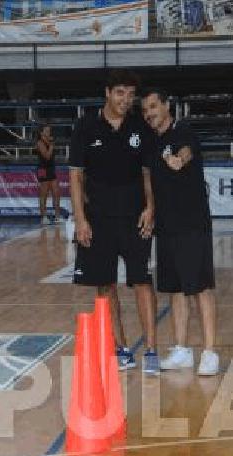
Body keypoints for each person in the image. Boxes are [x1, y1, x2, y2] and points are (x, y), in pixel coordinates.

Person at [68, 69, 159, 373]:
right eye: (120, 93)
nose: (126, 100)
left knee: (143, 282)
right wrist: (80, 219)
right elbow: (76, 176)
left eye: (131, 94)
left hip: (135, 218)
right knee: (105, 285)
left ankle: (151, 351)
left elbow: (148, 173)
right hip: (98, 220)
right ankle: (120, 348)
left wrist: (151, 207)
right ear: (107, 93)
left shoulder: (139, 127)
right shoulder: (85, 126)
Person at [140, 88, 220, 376]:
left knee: (199, 287)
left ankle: (210, 352)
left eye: (153, 106)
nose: (149, 113)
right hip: (167, 225)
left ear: (166, 105)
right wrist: (150, 207)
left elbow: (187, 151)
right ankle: (182, 350)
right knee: (174, 289)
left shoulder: (183, 131)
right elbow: (148, 177)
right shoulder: (151, 142)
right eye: (145, 110)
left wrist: (179, 160)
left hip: (192, 223)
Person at [36, 124, 60, 224]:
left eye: (49, 130)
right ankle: (43, 217)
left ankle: (57, 217)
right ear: (41, 133)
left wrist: (51, 144)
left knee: (56, 193)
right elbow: (47, 156)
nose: (48, 132)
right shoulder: (40, 143)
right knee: (44, 194)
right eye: (46, 131)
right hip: (42, 170)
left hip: (51, 169)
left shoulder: (49, 142)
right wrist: (51, 145)